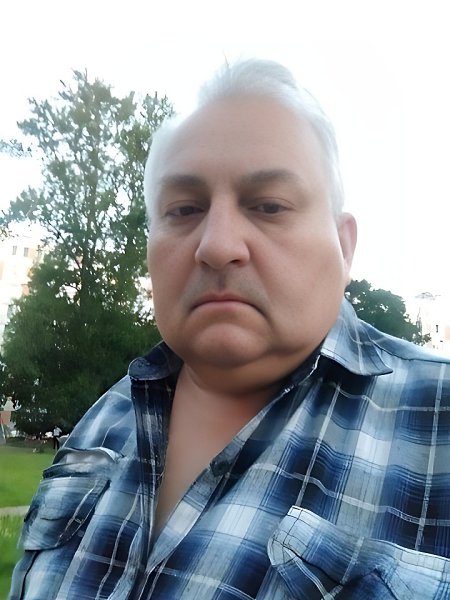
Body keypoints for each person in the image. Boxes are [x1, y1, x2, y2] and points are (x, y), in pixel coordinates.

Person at [9, 59, 450, 600]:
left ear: (344, 246)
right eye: (183, 210)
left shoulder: (438, 419)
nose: (216, 245)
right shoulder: (103, 421)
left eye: (269, 206)